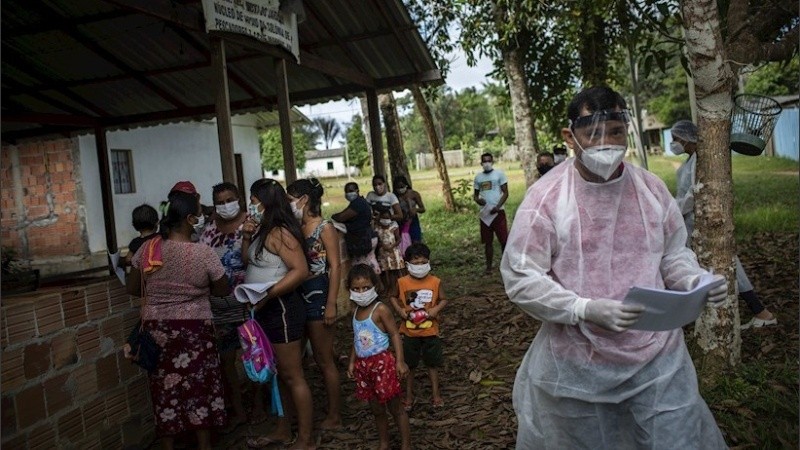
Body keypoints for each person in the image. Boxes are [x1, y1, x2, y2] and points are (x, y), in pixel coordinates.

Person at [500, 86, 728, 449]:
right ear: (570, 136)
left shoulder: (651, 190)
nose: (606, 141)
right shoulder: (546, 199)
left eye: (616, 131)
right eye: (593, 132)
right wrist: (582, 308)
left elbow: (672, 253)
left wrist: (696, 280)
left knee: (676, 438)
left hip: (658, 360)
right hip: (578, 365)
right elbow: (521, 276)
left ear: (627, 130)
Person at [126, 190, 230, 450]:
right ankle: (204, 446)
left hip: (158, 330)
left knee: (164, 391)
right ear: (190, 218)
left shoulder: (149, 249)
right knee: (200, 388)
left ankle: (168, 446)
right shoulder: (203, 253)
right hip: (196, 329)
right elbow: (223, 289)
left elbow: (132, 287)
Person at [670, 119, 777, 330]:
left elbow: (695, 194)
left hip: (701, 221)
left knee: (727, 263)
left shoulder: (701, 160)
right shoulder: (689, 162)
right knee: (689, 265)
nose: (673, 143)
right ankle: (689, 316)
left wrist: (674, 208)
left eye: (676, 139)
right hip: (689, 223)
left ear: (687, 138)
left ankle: (760, 311)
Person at [242, 179, 315, 450]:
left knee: (292, 375)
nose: (250, 205)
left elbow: (300, 270)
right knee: (278, 374)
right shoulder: (264, 230)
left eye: (253, 200)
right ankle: (283, 430)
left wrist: (268, 294)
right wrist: (247, 236)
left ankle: (305, 440)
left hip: (281, 309)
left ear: (264, 202)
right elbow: (248, 262)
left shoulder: (281, 232)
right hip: (264, 310)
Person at [286, 178, 343, 430]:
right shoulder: (296, 228)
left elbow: (336, 266)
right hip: (299, 297)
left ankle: (335, 415)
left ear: (304, 200)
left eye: (290, 199)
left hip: (319, 295)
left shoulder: (324, 228)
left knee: (324, 359)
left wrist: (331, 302)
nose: (288, 205)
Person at [198, 182, 249, 432]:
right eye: (220, 202)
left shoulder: (251, 224)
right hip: (219, 307)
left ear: (239, 199)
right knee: (227, 360)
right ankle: (239, 410)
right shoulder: (208, 232)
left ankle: (260, 405)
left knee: (255, 354)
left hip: (250, 302)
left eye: (230, 199)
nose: (225, 205)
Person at [346, 264, 411, 450]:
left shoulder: (380, 310)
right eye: (356, 289)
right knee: (376, 409)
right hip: (364, 366)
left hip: (383, 364)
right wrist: (352, 362)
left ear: (374, 286)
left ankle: (406, 444)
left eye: (365, 288)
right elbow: (357, 339)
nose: (361, 292)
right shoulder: (355, 312)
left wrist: (399, 361)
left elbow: (394, 334)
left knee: (395, 407)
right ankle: (384, 443)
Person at [391, 243, 447, 412]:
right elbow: (392, 297)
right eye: (416, 263)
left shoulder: (435, 282)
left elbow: (444, 299)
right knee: (409, 365)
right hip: (409, 332)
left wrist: (435, 310)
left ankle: (436, 395)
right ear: (407, 264)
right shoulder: (401, 283)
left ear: (428, 262)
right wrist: (401, 311)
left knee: (432, 364)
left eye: (423, 262)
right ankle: (408, 396)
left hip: (430, 331)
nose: (420, 266)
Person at [332, 182, 380, 275]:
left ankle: (374, 286)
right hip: (368, 237)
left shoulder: (358, 203)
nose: (348, 193)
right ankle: (379, 286)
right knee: (370, 264)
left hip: (363, 239)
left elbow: (341, 217)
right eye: (346, 191)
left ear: (357, 191)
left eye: (351, 191)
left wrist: (335, 216)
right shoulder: (359, 202)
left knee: (363, 269)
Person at [473, 153, 509, 274]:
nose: (487, 163)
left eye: (489, 161)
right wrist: (479, 201)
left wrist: (498, 206)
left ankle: (506, 265)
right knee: (488, 242)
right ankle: (489, 267)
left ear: (492, 162)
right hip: (486, 213)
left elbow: (505, 193)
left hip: (498, 212)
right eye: (484, 161)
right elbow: (476, 196)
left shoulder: (499, 174)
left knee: (503, 240)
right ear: (481, 163)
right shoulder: (478, 178)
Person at [374, 206, 406, 299]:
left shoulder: (394, 226)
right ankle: (387, 288)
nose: (386, 220)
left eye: (388, 218)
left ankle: (397, 289)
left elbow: (399, 238)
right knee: (384, 271)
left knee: (395, 271)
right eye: (383, 218)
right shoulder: (377, 228)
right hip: (382, 253)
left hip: (393, 252)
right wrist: (381, 245)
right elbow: (377, 240)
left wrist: (393, 245)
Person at [392, 175, 426, 245]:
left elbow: (423, 209)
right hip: (401, 222)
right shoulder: (394, 196)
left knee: (415, 241)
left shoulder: (414, 194)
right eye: (398, 187)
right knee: (403, 242)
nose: (400, 189)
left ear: (406, 185)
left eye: (402, 186)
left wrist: (416, 210)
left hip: (413, 220)